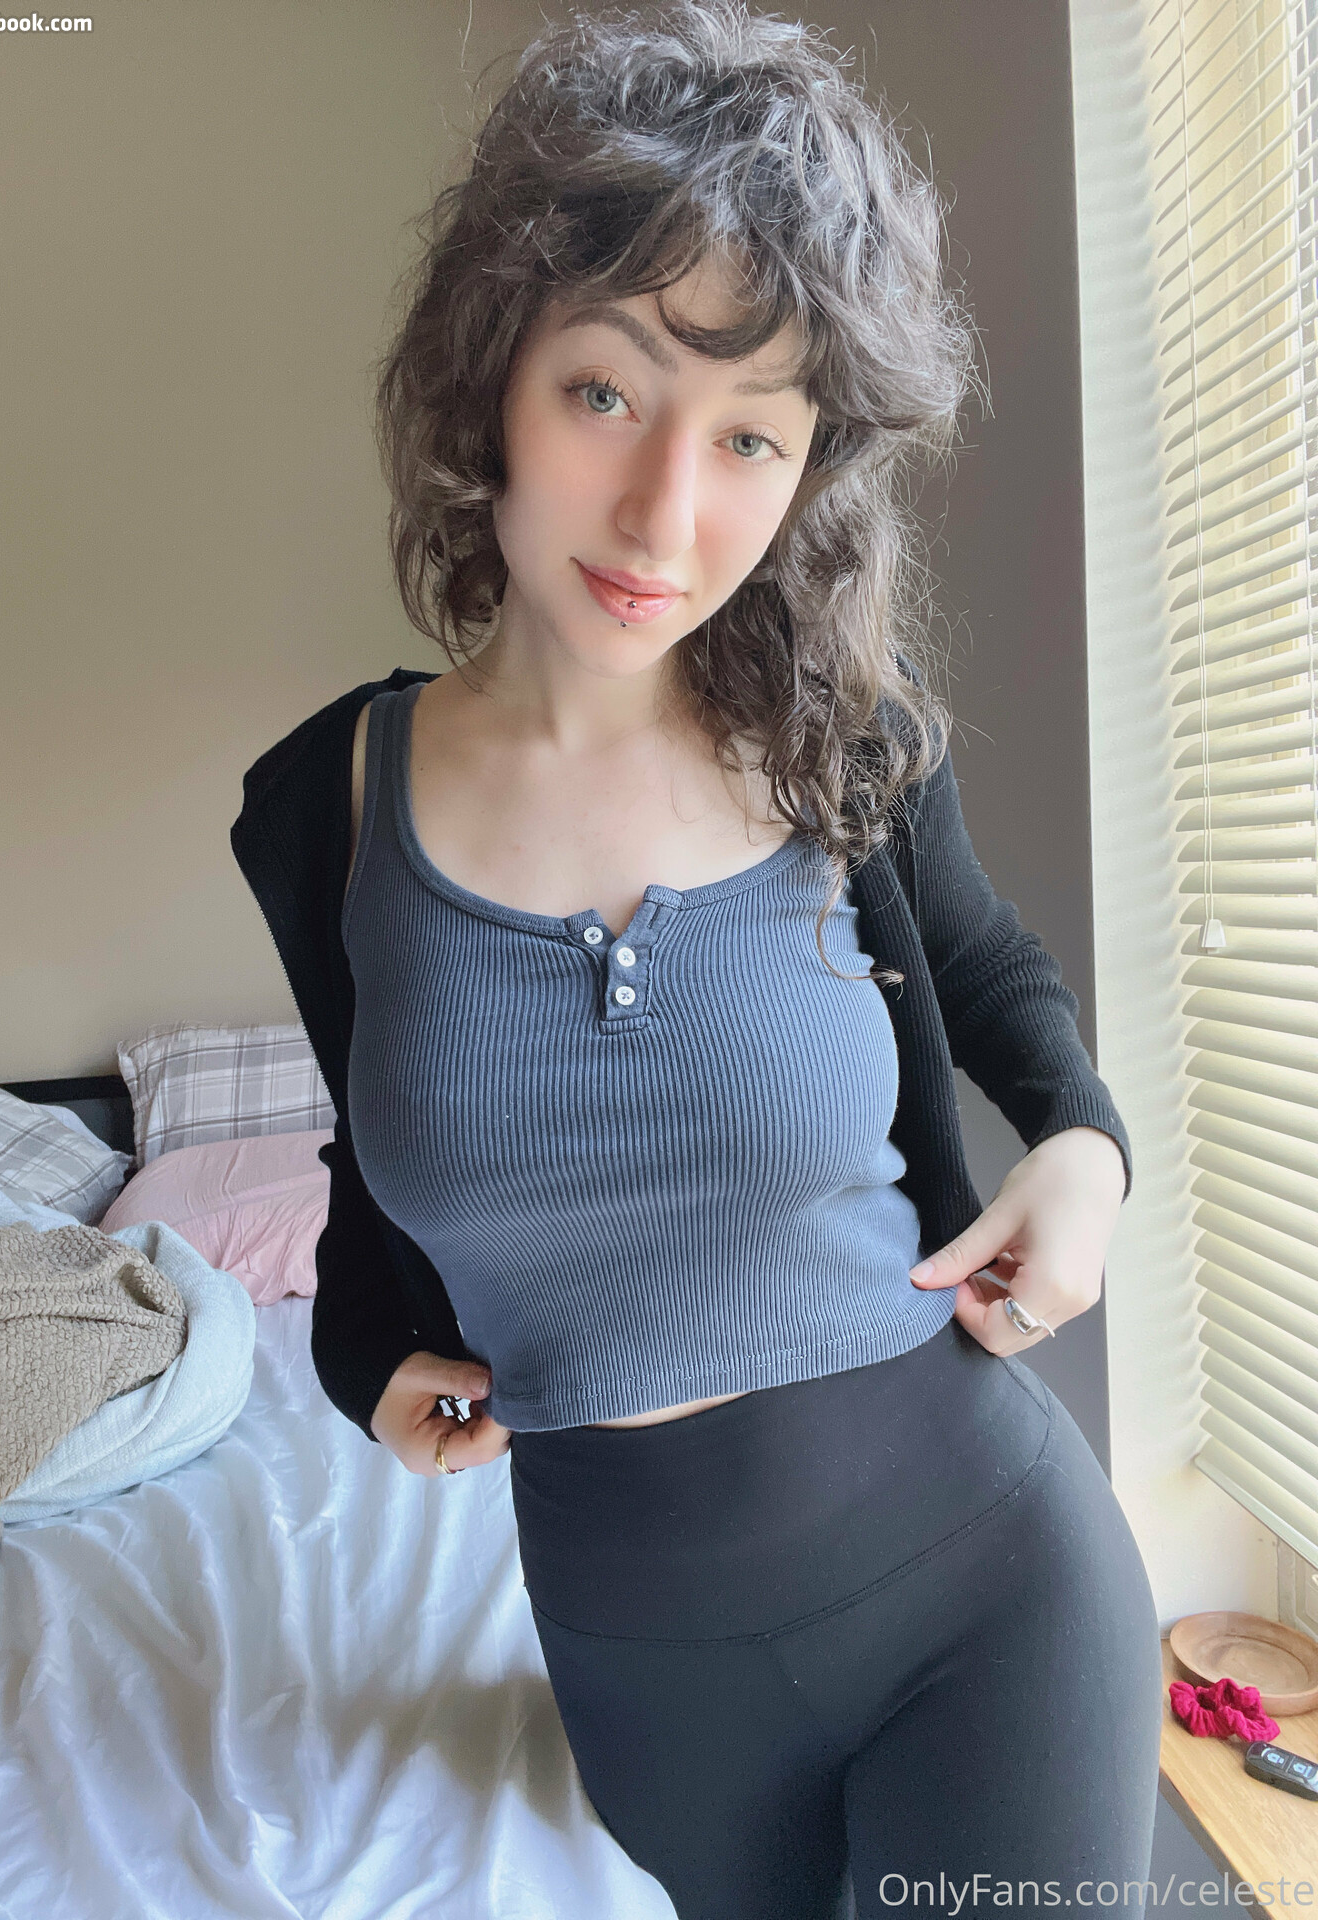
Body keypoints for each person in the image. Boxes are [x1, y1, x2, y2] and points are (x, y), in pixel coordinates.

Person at [231, 3, 1163, 1913]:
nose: (669, 513)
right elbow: (373, 1151)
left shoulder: (843, 743)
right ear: (495, 376)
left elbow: (996, 979)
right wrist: (359, 1358)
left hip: (986, 1580)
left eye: (751, 434)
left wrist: (1084, 1148)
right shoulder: (329, 802)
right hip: (641, 1662)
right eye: (607, 392)